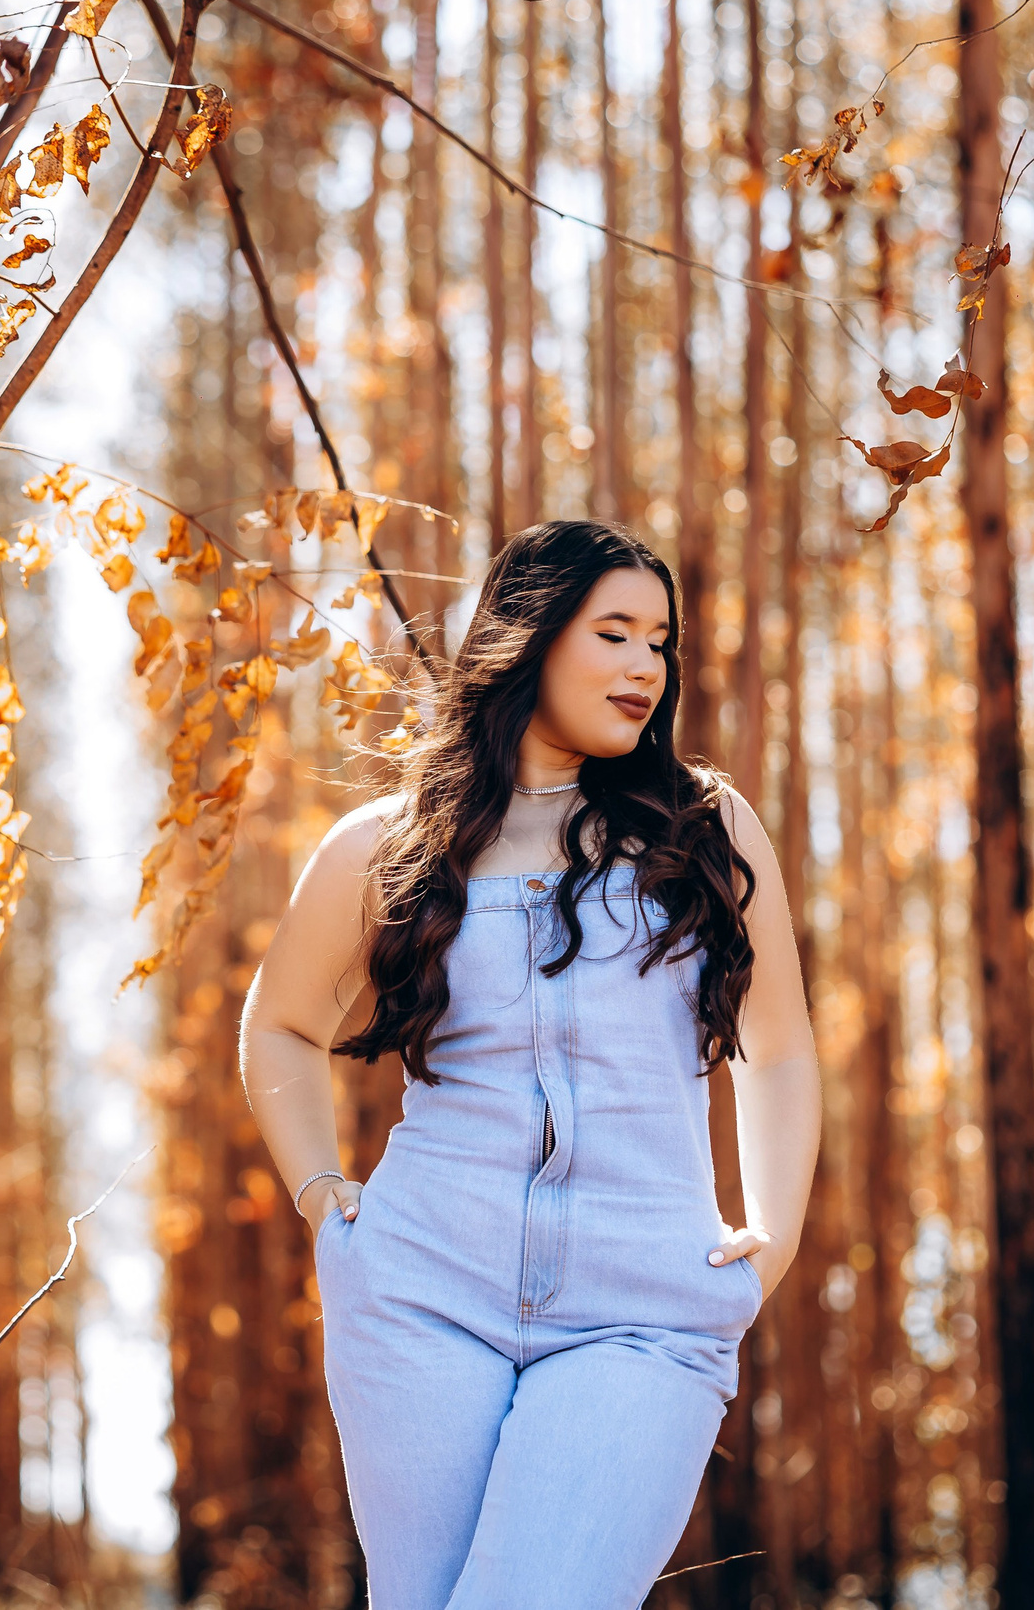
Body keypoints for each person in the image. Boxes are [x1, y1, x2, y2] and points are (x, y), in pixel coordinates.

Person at [236, 517, 821, 1610]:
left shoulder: (704, 829)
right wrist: (325, 1201)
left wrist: (770, 1243)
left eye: (660, 641)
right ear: (530, 635)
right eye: (615, 633)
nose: (646, 665)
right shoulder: (389, 842)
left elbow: (777, 1046)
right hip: (418, 1295)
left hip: (643, 1307)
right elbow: (278, 1025)